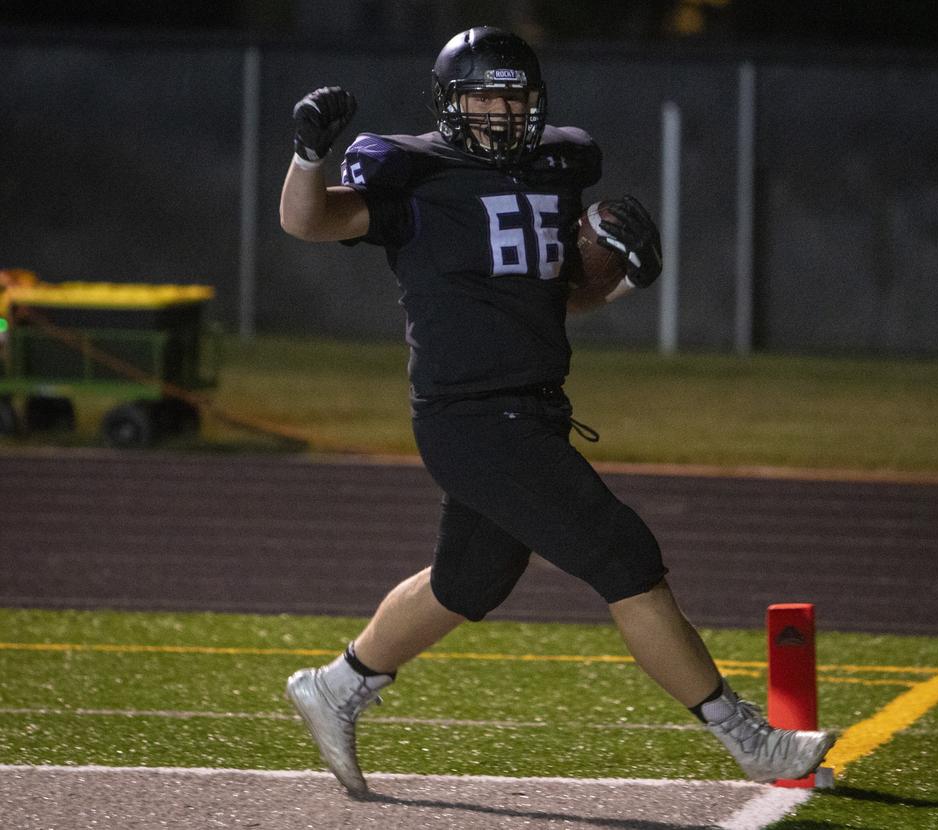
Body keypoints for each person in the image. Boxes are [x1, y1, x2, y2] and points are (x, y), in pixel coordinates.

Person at [279, 26, 835, 797]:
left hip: (533, 410)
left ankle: (336, 685)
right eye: (485, 93)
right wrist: (308, 156)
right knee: (625, 558)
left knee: (469, 580)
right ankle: (747, 738)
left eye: (514, 93)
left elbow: (554, 302)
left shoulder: (556, 168)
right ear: (450, 102)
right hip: (469, 418)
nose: (502, 110)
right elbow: (308, 221)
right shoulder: (414, 176)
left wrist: (626, 282)